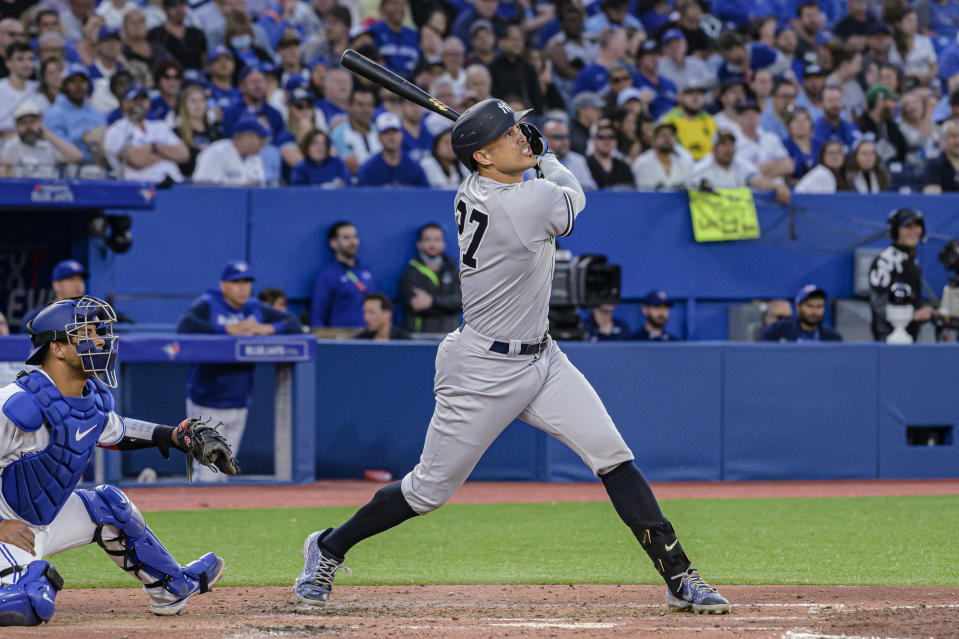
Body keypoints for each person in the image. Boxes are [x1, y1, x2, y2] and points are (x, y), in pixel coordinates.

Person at [292, 98, 731, 615]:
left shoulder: (482, 186)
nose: (522, 135)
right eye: (507, 134)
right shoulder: (523, 202)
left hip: (543, 358)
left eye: (519, 128)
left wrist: (520, 148)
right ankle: (328, 547)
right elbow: (576, 197)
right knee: (427, 491)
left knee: (612, 454)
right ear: (481, 157)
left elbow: (534, 177)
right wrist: (546, 158)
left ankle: (680, 575)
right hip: (481, 368)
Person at [0, 296, 237, 626]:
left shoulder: (87, 401)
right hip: (5, 531)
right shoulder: (16, 405)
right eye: (86, 333)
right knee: (32, 602)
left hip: (40, 522)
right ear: (57, 348)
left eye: (99, 331)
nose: (99, 340)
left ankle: (170, 587)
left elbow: (118, 430)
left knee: (110, 505)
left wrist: (173, 436)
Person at [176, 260, 301, 482]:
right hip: (208, 399)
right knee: (206, 472)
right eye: (236, 282)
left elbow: (293, 323)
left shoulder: (254, 307)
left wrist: (267, 328)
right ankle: (200, 510)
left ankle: (214, 512)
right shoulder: (208, 303)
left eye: (246, 282)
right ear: (223, 285)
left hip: (240, 399)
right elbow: (186, 325)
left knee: (225, 468)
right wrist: (226, 329)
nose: (243, 287)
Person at [868, 208, 940, 341]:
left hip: (910, 337)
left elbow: (911, 301)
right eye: (907, 226)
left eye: (917, 226)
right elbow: (879, 304)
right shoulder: (886, 261)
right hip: (889, 339)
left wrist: (930, 310)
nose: (914, 231)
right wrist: (914, 315)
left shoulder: (910, 261)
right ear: (895, 230)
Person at [103, 84, 189, 183]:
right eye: (135, 99)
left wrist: (153, 147)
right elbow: (135, 160)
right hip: (138, 187)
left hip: (174, 183)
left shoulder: (160, 126)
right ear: (125, 103)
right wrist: (167, 155)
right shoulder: (116, 130)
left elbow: (184, 154)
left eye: (143, 99)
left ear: (148, 102)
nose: (139, 103)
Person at [688, 130, 792, 205]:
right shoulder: (702, 168)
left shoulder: (740, 164)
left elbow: (758, 180)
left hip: (736, 223)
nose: (729, 149)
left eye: (731, 144)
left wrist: (778, 186)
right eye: (723, 145)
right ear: (713, 148)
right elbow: (687, 186)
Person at [310, 221, 379, 328]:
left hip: (370, 337)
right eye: (346, 238)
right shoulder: (326, 275)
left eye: (355, 237)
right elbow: (317, 316)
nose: (353, 242)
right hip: (343, 339)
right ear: (333, 243)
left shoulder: (368, 272)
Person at [398, 223, 461, 335]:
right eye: (427, 240)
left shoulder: (454, 272)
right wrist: (448, 304)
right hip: (419, 339)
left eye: (437, 240)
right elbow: (417, 305)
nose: (432, 244)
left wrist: (432, 301)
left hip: (450, 339)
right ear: (419, 244)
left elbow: (461, 302)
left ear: (443, 244)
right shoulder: (410, 274)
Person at [0, 100, 83, 177]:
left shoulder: (48, 145)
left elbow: (76, 156)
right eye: (23, 123)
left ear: (40, 122)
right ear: (16, 125)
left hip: (49, 189)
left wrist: (48, 134)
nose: (28, 127)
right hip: (20, 190)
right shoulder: (10, 146)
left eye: (32, 122)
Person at [356, 111, 429, 187]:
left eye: (394, 132)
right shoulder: (368, 169)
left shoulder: (414, 167)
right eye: (386, 133)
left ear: (402, 135)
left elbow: (425, 193)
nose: (391, 137)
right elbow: (362, 195)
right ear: (379, 137)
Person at [192, 115, 267, 186]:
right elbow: (202, 188)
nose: (263, 143)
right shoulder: (216, 153)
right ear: (245, 137)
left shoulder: (255, 158)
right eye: (260, 137)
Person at [19, 259, 88, 331]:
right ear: (56, 285)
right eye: (71, 279)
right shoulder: (37, 316)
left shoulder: (88, 314)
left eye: (81, 279)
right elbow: (25, 342)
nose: (78, 284)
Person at [734, 99, 793, 181]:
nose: (751, 119)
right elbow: (740, 174)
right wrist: (773, 165)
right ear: (738, 119)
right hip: (749, 190)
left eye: (754, 115)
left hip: (776, 189)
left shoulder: (771, 138)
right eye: (746, 115)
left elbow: (788, 166)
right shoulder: (734, 142)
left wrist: (758, 175)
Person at [173, 83, 223, 178]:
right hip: (187, 183)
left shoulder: (217, 133)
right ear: (184, 105)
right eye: (193, 101)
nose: (198, 105)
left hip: (215, 183)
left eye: (201, 100)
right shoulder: (176, 134)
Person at [760, 285, 843, 342]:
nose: (814, 311)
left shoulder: (832, 337)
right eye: (810, 306)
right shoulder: (779, 330)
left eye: (819, 306)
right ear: (798, 308)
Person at [661, 79, 716, 161]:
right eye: (689, 93)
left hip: (709, 167)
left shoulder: (709, 120)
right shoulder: (669, 121)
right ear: (679, 97)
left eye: (700, 93)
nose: (695, 97)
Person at [632, 121, 694, 191]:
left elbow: (689, 187)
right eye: (662, 135)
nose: (667, 138)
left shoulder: (683, 162)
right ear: (653, 139)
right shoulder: (642, 163)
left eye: (671, 135)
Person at [857, 83, 907, 164]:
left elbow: (902, 152)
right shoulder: (860, 126)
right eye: (891, 101)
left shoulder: (892, 127)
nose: (894, 105)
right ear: (879, 102)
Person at [148, 0, 206, 70]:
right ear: (165, 10)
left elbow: (204, 59)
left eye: (181, 5)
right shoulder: (156, 34)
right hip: (170, 77)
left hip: (198, 76)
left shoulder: (196, 33)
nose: (179, 10)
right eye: (173, 6)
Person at [542, 118, 598, 190]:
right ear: (545, 138)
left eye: (566, 137)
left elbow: (591, 188)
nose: (565, 141)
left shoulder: (578, 160)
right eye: (559, 137)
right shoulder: (533, 162)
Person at [587, 118, 635, 189]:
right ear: (593, 139)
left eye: (611, 137)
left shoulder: (623, 167)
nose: (607, 141)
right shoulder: (585, 164)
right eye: (601, 137)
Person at [0, 42, 37, 134]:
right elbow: (4, 132)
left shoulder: (38, 88)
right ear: (8, 63)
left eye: (30, 59)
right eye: (20, 59)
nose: (27, 64)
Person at [812, 86, 862, 151]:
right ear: (822, 103)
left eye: (837, 100)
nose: (835, 104)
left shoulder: (851, 128)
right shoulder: (815, 129)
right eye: (830, 100)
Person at [921, 118, 959, 193]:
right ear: (944, 139)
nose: (958, 141)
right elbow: (932, 197)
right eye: (953, 136)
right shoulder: (934, 164)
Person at [781, 108, 818, 183]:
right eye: (797, 121)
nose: (801, 124)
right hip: (792, 190)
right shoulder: (782, 146)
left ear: (810, 124)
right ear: (789, 125)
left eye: (804, 121)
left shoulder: (820, 145)